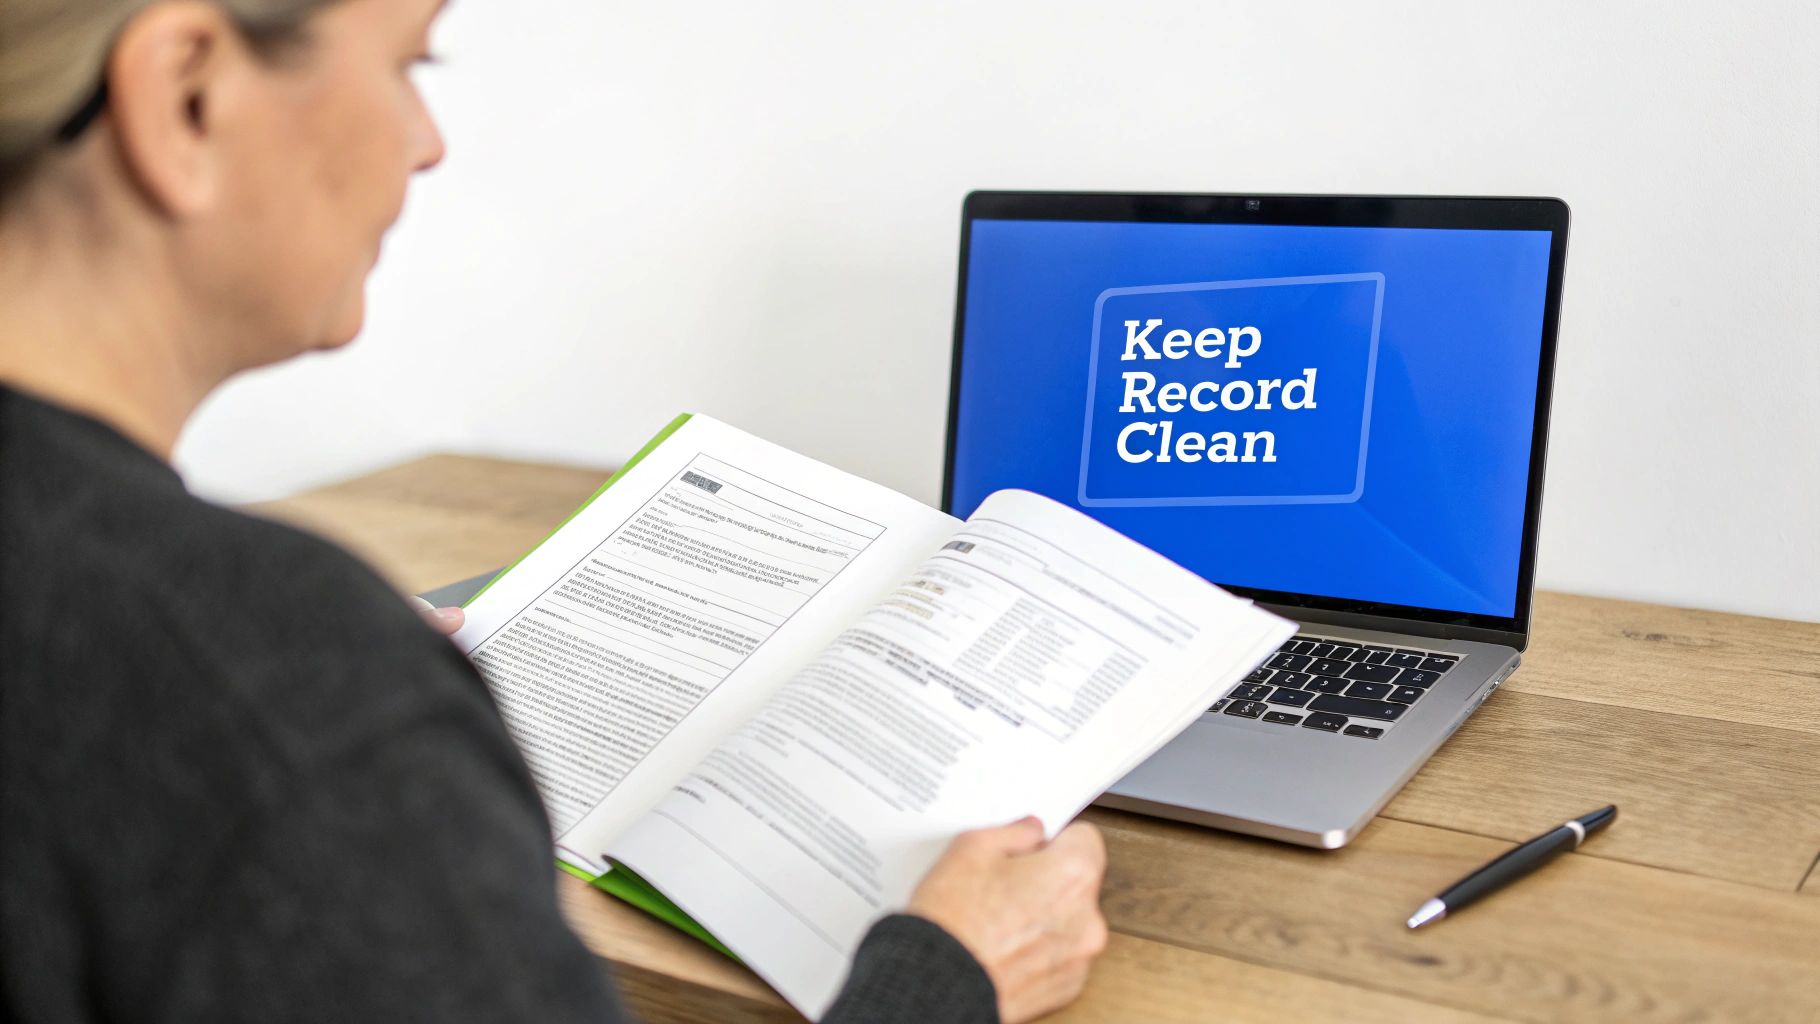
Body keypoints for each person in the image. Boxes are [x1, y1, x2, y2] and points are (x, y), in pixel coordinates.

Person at [0, 2, 1110, 1022]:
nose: (426, 140)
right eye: (405, 64)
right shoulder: (271, 677)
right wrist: (945, 972)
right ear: (184, 94)